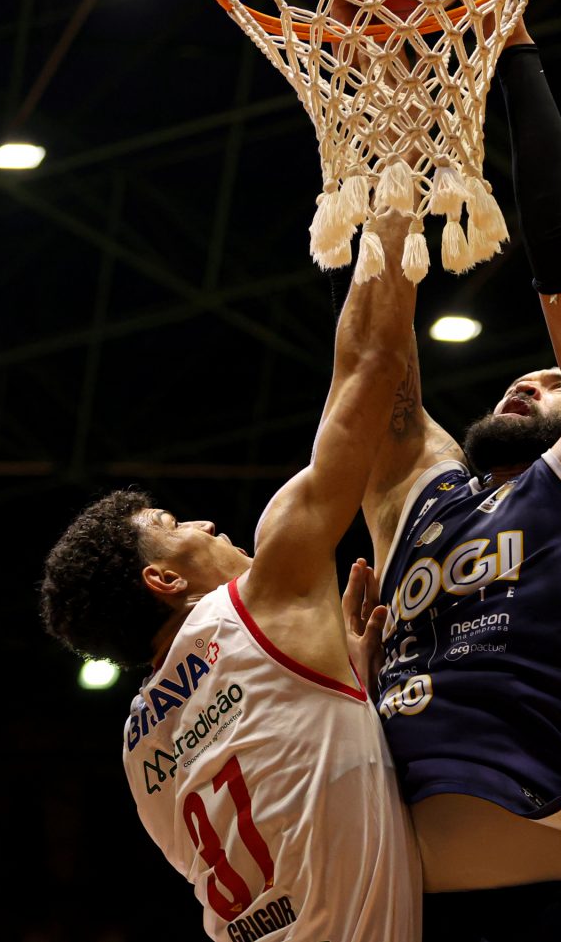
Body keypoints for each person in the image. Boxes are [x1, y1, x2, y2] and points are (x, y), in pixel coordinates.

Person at [351, 18, 561, 942]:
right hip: (401, 915)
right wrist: (386, 112)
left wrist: (514, 49)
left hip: (558, 908)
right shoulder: (418, 499)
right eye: (522, 377)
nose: (528, 379)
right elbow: (373, 350)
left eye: (555, 379)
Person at [38, 214, 422, 942]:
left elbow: (283, 809)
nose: (208, 524)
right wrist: (393, 198)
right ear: (162, 580)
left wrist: (343, 686)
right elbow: (373, 364)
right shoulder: (260, 605)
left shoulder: (138, 752)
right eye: (175, 523)